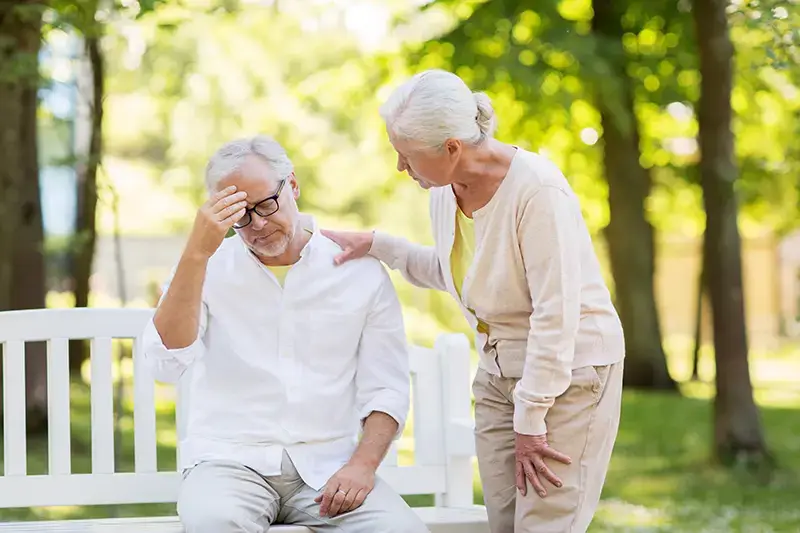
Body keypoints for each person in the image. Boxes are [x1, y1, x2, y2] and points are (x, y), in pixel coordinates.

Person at [323, 69, 626, 533]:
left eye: (407, 157)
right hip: (499, 374)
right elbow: (462, 275)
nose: (401, 168)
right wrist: (377, 245)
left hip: (568, 373)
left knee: (544, 524)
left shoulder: (537, 192)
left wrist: (532, 415)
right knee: (504, 524)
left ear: (451, 148)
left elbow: (555, 312)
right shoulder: (446, 191)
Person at [141, 135, 429, 533]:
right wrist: (195, 253)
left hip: (329, 469)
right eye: (239, 216)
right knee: (214, 525)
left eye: (266, 205)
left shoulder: (358, 271)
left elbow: (387, 388)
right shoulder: (205, 266)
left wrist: (362, 467)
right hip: (229, 464)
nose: (257, 224)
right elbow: (165, 364)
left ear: (292, 185)